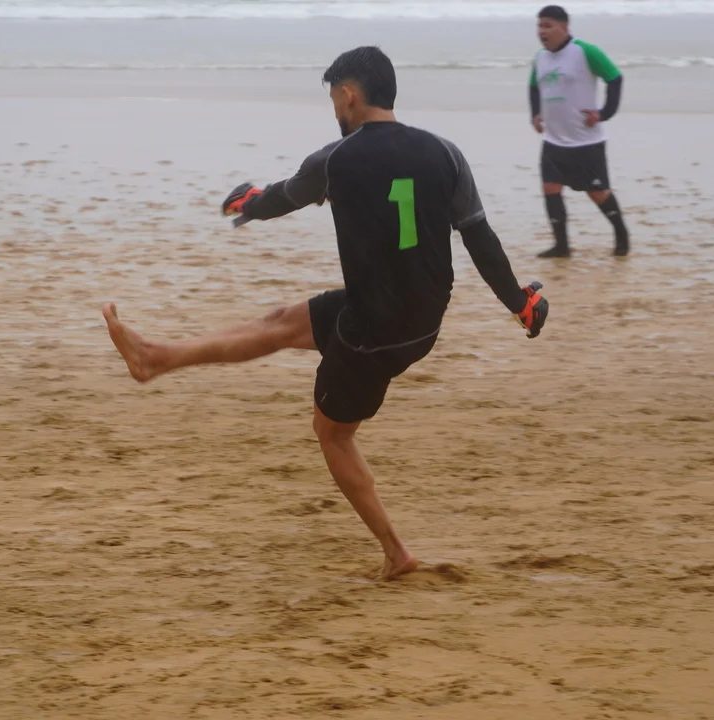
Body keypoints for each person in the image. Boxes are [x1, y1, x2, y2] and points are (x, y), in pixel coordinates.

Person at [101, 46, 547, 580]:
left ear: (348, 94)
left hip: (373, 331)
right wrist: (520, 304)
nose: (335, 109)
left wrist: (248, 203)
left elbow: (282, 199)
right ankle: (156, 358)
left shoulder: (336, 160)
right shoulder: (445, 153)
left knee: (332, 433)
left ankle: (396, 553)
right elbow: (480, 238)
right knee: (282, 323)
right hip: (419, 316)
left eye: (334, 98)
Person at [530, 5, 630, 257]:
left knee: (597, 192)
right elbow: (534, 86)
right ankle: (561, 246)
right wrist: (535, 114)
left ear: (564, 27)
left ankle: (622, 235)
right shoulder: (540, 57)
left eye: (548, 25)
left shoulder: (585, 51)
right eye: (539, 26)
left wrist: (604, 113)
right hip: (554, 139)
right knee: (550, 188)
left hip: (586, 141)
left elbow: (615, 78)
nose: (542, 31)